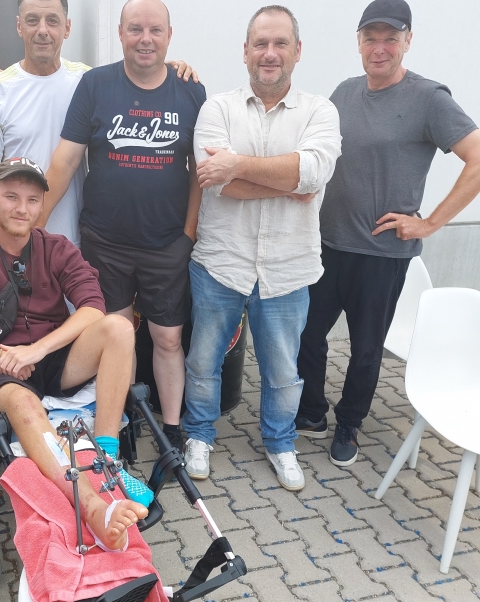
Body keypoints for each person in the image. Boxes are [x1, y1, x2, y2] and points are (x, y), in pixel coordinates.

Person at [295, 0, 480, 467]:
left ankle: (349, 423)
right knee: (306, 333)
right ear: (359, 43)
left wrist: (429, 223)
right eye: (371, 38)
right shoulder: (344, 92)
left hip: (382, 254)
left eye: (391, 38)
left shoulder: (429, 99)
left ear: (408, 41)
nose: (380, 48)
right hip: (327, 244)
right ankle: (312, 412)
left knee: (366, 348)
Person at [0, 158, 149, 550]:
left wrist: (37, 350)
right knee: (24, 404)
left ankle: (106, 460)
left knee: (120, 328)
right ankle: (92, 507)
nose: (21, 208)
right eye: (11, 197)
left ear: (42, 205)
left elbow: (93, 307)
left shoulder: (56, 248)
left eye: (31, 200)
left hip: (48, 355)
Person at [181, 6, 341, 490]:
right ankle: (198, 434)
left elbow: (314, 171)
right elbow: (215, 182)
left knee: (284, 370)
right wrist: (288, 182)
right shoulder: (217, 109)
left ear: (297, 50)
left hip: (289, 268)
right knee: (203, 361)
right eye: (260, 44)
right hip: (221, 262)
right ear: (246, 51)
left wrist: (239, 165)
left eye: (280, 43)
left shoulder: (320, 112)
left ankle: (280, 442)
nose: (269, 54)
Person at [43, 0, 205, 452]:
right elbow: (66, 160)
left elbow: (199, 171)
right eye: (135, 29)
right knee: (118, 337)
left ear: (169, 35)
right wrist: (32, 224)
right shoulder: (96, 85)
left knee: (168, 339)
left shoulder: (191, 91)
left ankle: (171, 428)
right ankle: (123, 425)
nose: (145, 39)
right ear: (120, 33)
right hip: (106, 242)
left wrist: (188, 234)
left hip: (166, 244)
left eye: (155, 30)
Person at [0, 0, 197, 247]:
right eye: (32, 20)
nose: (42, 30)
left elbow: (134, 76)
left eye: (52, 21)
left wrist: (169, 68)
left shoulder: (88, 81)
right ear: (19, 26)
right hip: (18, 237)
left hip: (75, 239)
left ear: (67, 28)